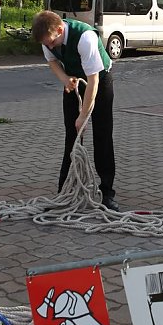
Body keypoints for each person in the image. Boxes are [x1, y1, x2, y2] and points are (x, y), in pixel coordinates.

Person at [32, 11, 118, 211]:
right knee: (71, 136)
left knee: (103, 136)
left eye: (52, 42)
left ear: (60, 29)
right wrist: (64, 79)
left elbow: (94, 81)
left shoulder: (85, 38)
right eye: (46, 44)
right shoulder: (48, 39)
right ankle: (65, 192)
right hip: (74, 81)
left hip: (100, 80)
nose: (50, 47)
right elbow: (52, 61)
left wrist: (83, 115)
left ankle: (107, 193)